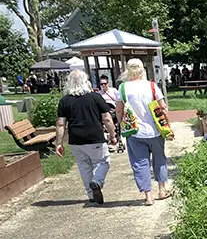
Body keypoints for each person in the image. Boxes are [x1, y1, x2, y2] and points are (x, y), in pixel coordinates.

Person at [56, 70, 117, 204]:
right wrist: (112, 135)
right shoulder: (95, 97)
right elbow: (107, 119)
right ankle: (97, 182)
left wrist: (58, 143)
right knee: (102, 161)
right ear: (86, 81)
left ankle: (91, 195)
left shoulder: (64, 100)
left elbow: (61, 123)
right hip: (94, 137)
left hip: (75, 140)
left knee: (84, 166)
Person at [116, 59, 171, 206]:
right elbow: (163, 108)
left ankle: (148, 195)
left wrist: (122, 125)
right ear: (142, 69)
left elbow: (119, 110)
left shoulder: (122, 88)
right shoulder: (152, 86)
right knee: (159, 159)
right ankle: (162, 189)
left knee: (140, 163)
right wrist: (168, 125)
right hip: (155, 130)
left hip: (135, 131)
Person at [98, 74, 125, 152]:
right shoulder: (99, 94)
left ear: (108, 83)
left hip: (113, 110)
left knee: (113, 119)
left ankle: (117, 138)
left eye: (105, 84)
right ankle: (108, 138)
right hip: (104, 112)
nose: (103, 85)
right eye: (101, 84)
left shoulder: (113, 91)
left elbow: (119, 100)